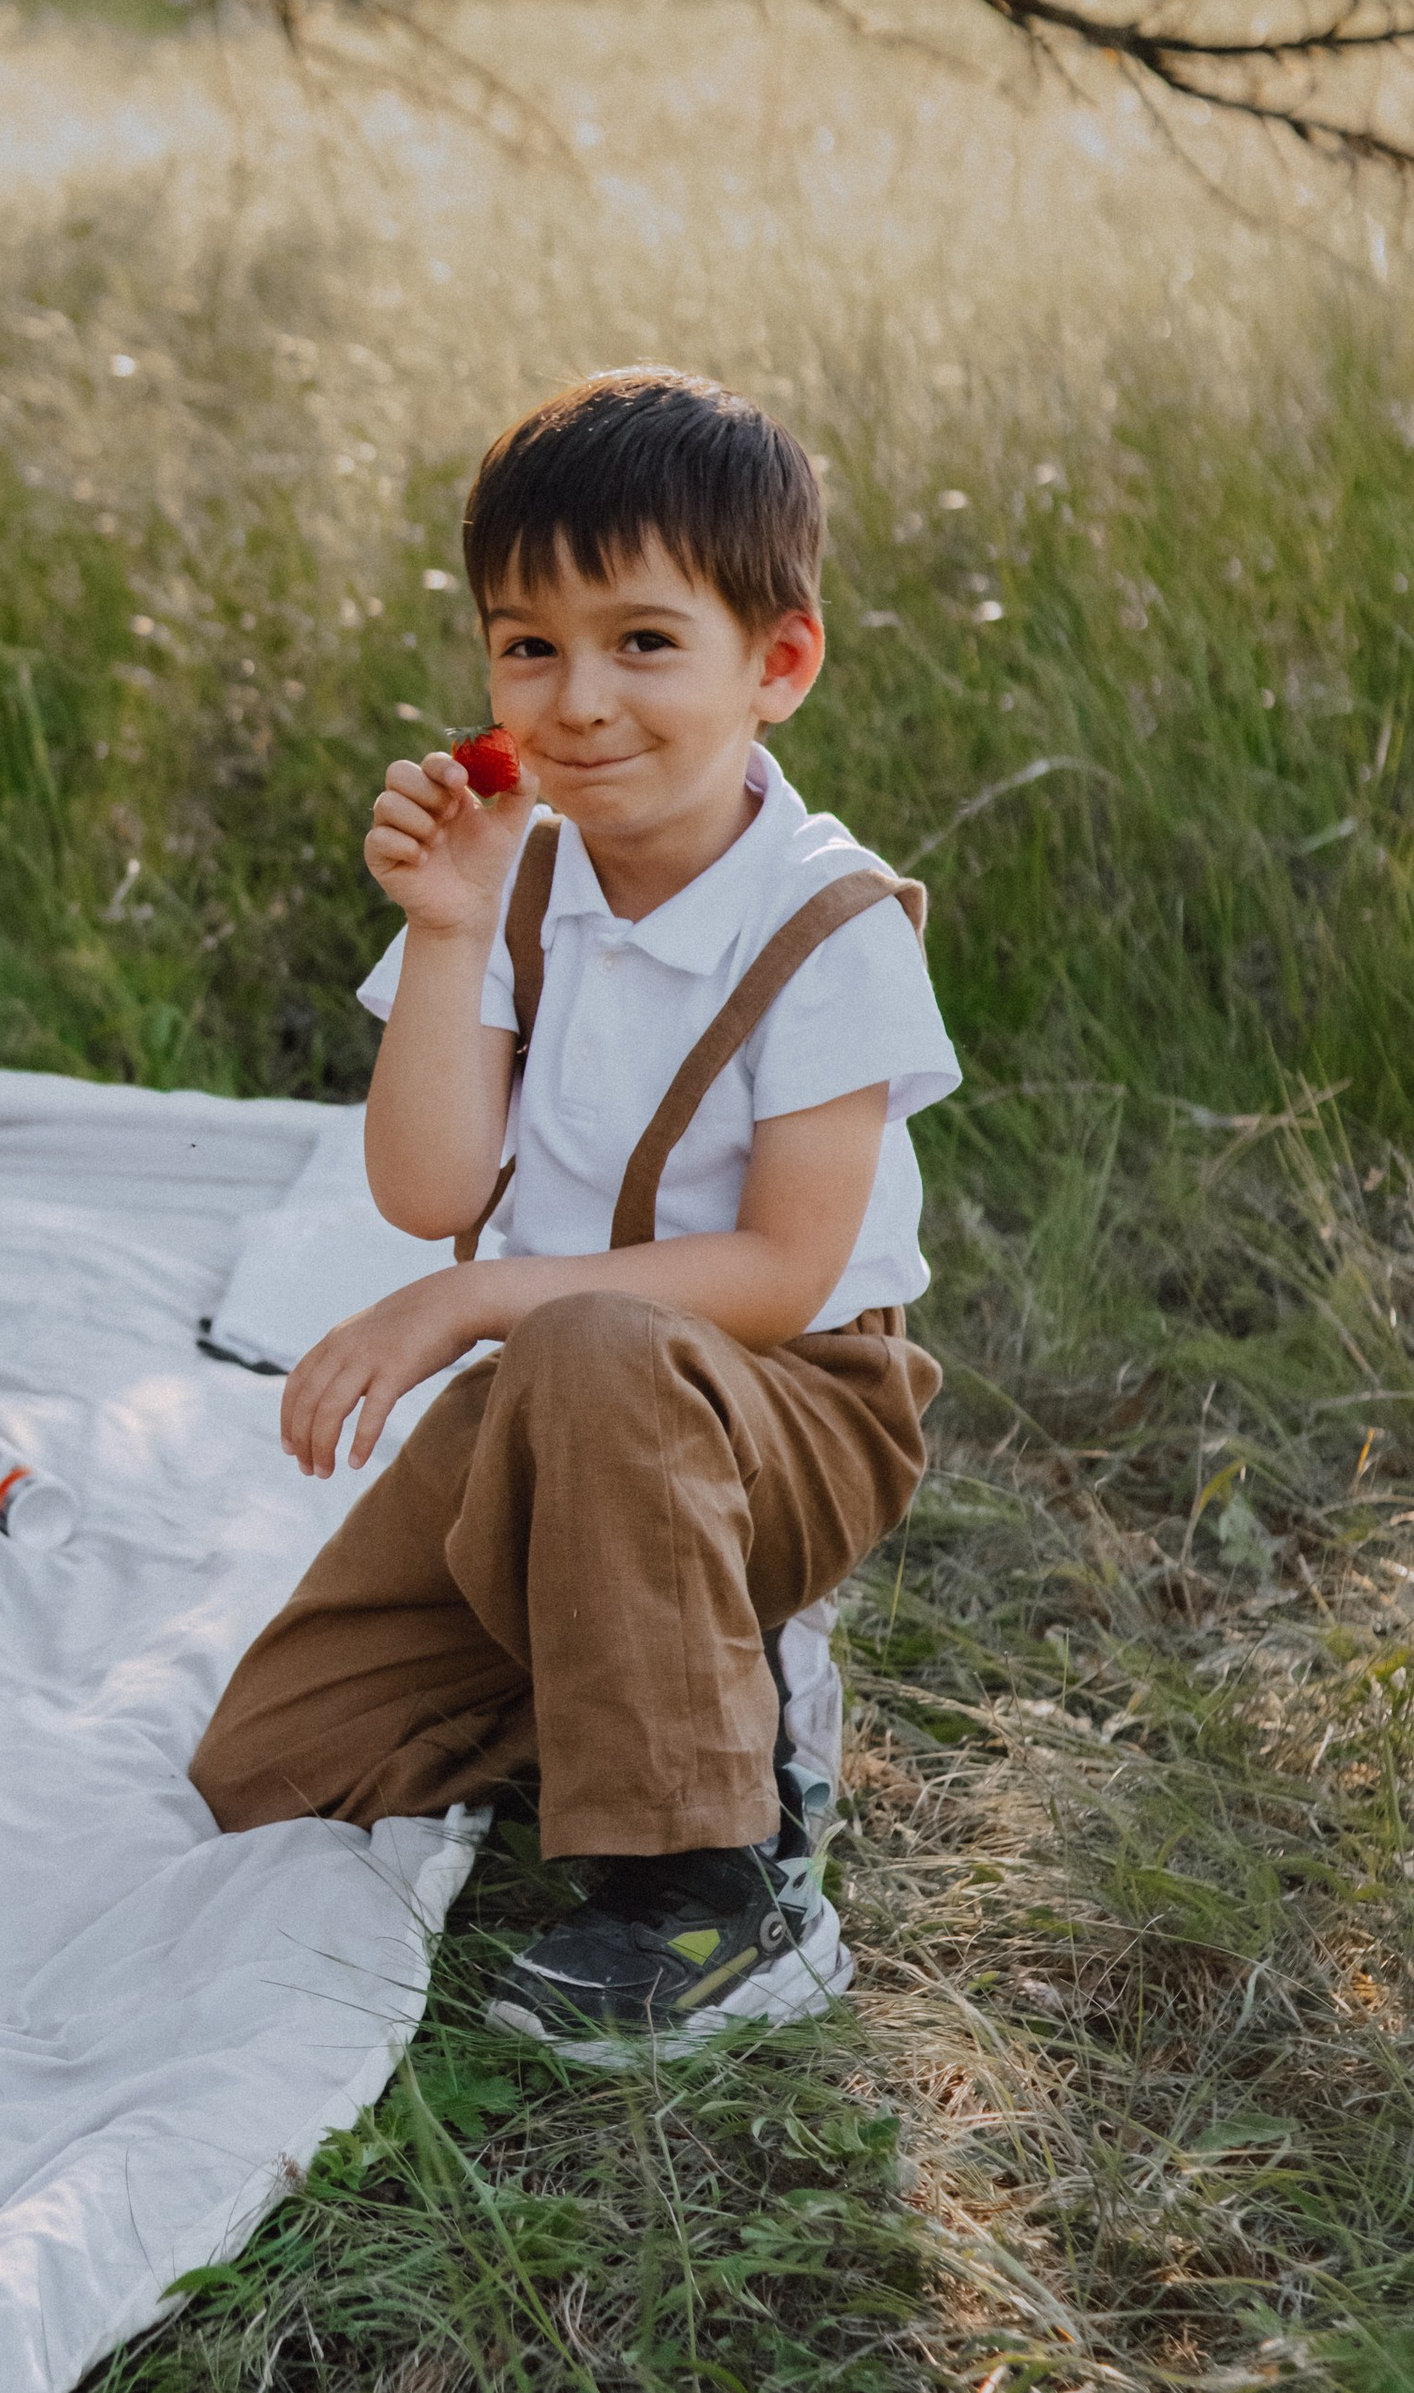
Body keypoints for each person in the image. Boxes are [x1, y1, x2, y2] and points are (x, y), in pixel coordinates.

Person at [190, 368, 959, 2064]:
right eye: (527, 645)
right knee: (275, 1762)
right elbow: (429, 1190)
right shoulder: (516, 873)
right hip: (570, 1403)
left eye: (643, 643)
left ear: (780, 664)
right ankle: (684, 1685)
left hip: (791, 1411)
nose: (579, 698)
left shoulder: (831, 929)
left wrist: (464, 1308)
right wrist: (451, 931)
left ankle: (720, 1885)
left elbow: (776, 1271)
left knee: (603, 1345)